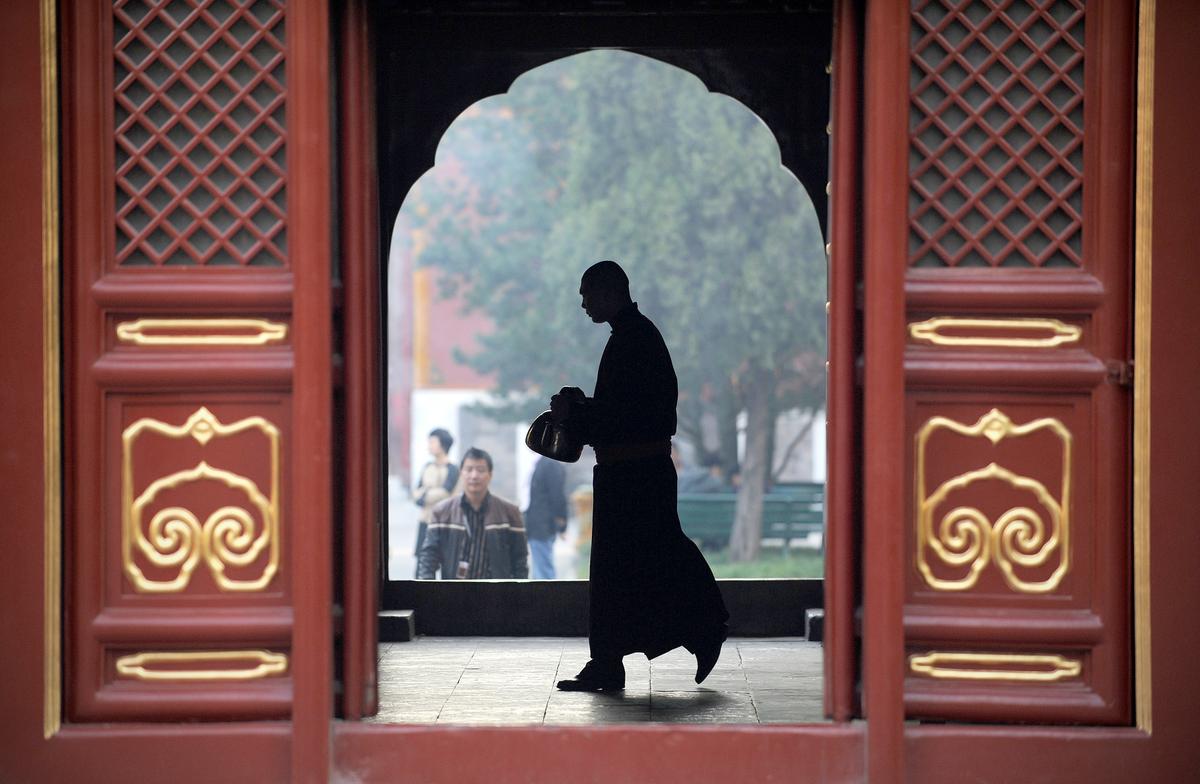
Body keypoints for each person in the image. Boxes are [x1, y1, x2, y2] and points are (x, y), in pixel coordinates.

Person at [551, 260, 728, 692]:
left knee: (661, 556)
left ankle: (707, 625)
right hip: (625, 474)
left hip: (639, 475)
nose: (583, 303)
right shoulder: (631, 337)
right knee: (616, 570)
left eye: (587, 294)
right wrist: (585, 408)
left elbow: (632, 416)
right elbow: (624, 409)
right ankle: (607, 661)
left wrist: (580, 412)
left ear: (610, 292)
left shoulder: (638, 339)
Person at [416, 447, 529, 580]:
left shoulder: (510, 513)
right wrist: (428, 592)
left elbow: (520, 561)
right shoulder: (442, 512)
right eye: (469, 470)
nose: (474, 476)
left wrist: (516, 595)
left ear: (490, 474)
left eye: (480, 470)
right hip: (455, 592)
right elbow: (429, 556)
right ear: (461, 473)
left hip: (495, 594)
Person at [412, 428, 459, 578]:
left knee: (449, 566)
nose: (429, 445)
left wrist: (425, 494)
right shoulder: (427, 467)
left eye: (432, 442)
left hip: (446, 523)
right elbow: (416, 492)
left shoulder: (452, 468)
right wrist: (426, 494)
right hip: (425, 521)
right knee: (422, 564)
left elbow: (446, 492)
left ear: (442, 445)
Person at [524, 454, 569, 579]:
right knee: (541, 570)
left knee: (543, 572)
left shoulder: (549, 464)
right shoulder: (546, 464)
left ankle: (548, 598)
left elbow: (557, 496)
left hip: (542, 525)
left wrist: (562, 524)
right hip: (539, 524)